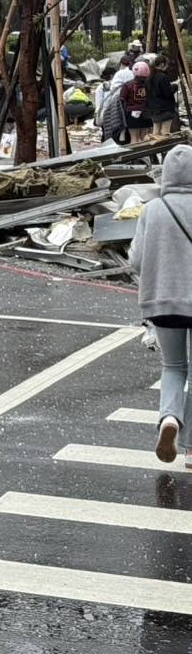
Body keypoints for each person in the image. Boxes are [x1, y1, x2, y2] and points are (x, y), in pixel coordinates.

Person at [130, 144, 192, 468]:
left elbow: (136, 260)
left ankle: (169, 418)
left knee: (173, 366)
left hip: (162, 301)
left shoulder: (152, 210)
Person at [121, 60, 155, 144]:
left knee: (134, 138)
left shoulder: (127, 85)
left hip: (132, 114)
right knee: (144, 137)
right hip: (147, 114)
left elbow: (122, 99)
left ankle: (136, 157)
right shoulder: (151, 84)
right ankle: (147, 156)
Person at [148, 54, 180, 137]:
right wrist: (175, 85)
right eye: (167, 64)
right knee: (165, 132)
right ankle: (164, 149)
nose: (167, 67)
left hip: (153, 109)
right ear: (162, 64)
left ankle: (156, 149)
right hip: (165, 109)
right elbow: (167, 93)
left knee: (156, 132)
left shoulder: (150, 77)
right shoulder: (163, 77)